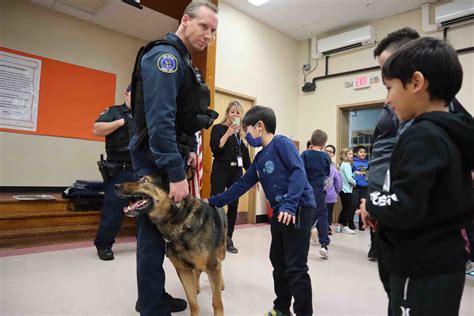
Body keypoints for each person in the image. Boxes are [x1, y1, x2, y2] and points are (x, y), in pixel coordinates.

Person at [361, 37, 474, 316]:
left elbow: (405, 206)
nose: (388, 99)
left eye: (390, 88)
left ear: (415, 82)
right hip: (444, 262)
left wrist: (372, 202)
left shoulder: (422, 135)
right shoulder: (454, 132)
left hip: (421, 266)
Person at [128, 1, 219, 315]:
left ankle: (152, 294)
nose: (208, 35)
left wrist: (188, 149)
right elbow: (160, 122)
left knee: (161, 232)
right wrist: (176, 173)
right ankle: (151, 305)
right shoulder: (166, 57)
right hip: (156, 162)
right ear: (185, 20)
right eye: (204, 26)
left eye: (213, 31)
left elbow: (179, 117)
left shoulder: (182, 60)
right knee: (153, 234)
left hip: (167, 157)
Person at [208, 106, 316, 316]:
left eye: (247, 129)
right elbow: (240, 186)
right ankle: (282, 308)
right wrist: (211, 202)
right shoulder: (258, 159)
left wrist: (290, 204)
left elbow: (298, 172)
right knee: (278, 262)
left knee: (295, 267)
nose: (245, 136)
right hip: (280, 212)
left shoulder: (281, 143)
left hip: (298, 208)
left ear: (259, 126)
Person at [93, 84, 136, 261]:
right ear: (126, 94)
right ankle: (104, 245)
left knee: (147, 209)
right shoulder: (114, 111)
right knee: (114, 210)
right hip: (120, 169)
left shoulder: (146, 116)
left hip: (140, 169)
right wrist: (121, 122)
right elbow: (96, 129)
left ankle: (146, 242)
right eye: (135, 94)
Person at [210, 100, 250, 253]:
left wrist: (253, 177)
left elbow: (245, 158)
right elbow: (215, 148)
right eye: (232, 111)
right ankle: (214, 238)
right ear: (227, 112)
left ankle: (228, 238)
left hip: (236, 172)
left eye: (237, 112)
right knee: (216, 204)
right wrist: (227, 133)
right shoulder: (218, 128)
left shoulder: (242, 134)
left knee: (233, 205)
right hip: (221, 169)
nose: (234, 114)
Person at [301, 129, 331, 258]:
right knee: (322, 215)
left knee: (305, 216)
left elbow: (300, 170)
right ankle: (324, 243)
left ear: (311, 141)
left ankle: (301, 243)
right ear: (324, 144)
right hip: (319, 189)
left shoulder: (305, 154)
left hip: (306, 189)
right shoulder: (326, 157)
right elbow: (328, 173)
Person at [336, 148, 356, 234]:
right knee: (348, 208)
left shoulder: (342, 164)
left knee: (345, 208)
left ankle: (339, 226)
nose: (351, 156)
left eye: (352, 154)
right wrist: (355, 183)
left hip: (342, 190)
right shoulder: (347, 165)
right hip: (346, 190)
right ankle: (345, 226)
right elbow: (349, 179)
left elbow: (347, 175)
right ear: (345, 155)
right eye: (349, 154)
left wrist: (354, 174)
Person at [323, 145, 342, 235]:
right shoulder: (318, 163)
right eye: (326, 150)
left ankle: (326, 228)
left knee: (328, 213)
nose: (327, 152)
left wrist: (337, 191)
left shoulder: (334, 168)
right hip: (318, 194)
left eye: (330, 151)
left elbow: (338, 182)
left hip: (330, 195)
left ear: (333, 154)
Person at [351, 145, 368, 230]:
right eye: (361, 152)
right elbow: (350, 175)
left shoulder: (368, 162)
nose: (363, 154)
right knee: (353, 205)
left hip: (365, 187)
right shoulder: (353, 162)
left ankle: (362, 224)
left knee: (363, 206)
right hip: (355, 187)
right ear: (357, 153)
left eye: (364, 152)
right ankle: (350, 223)